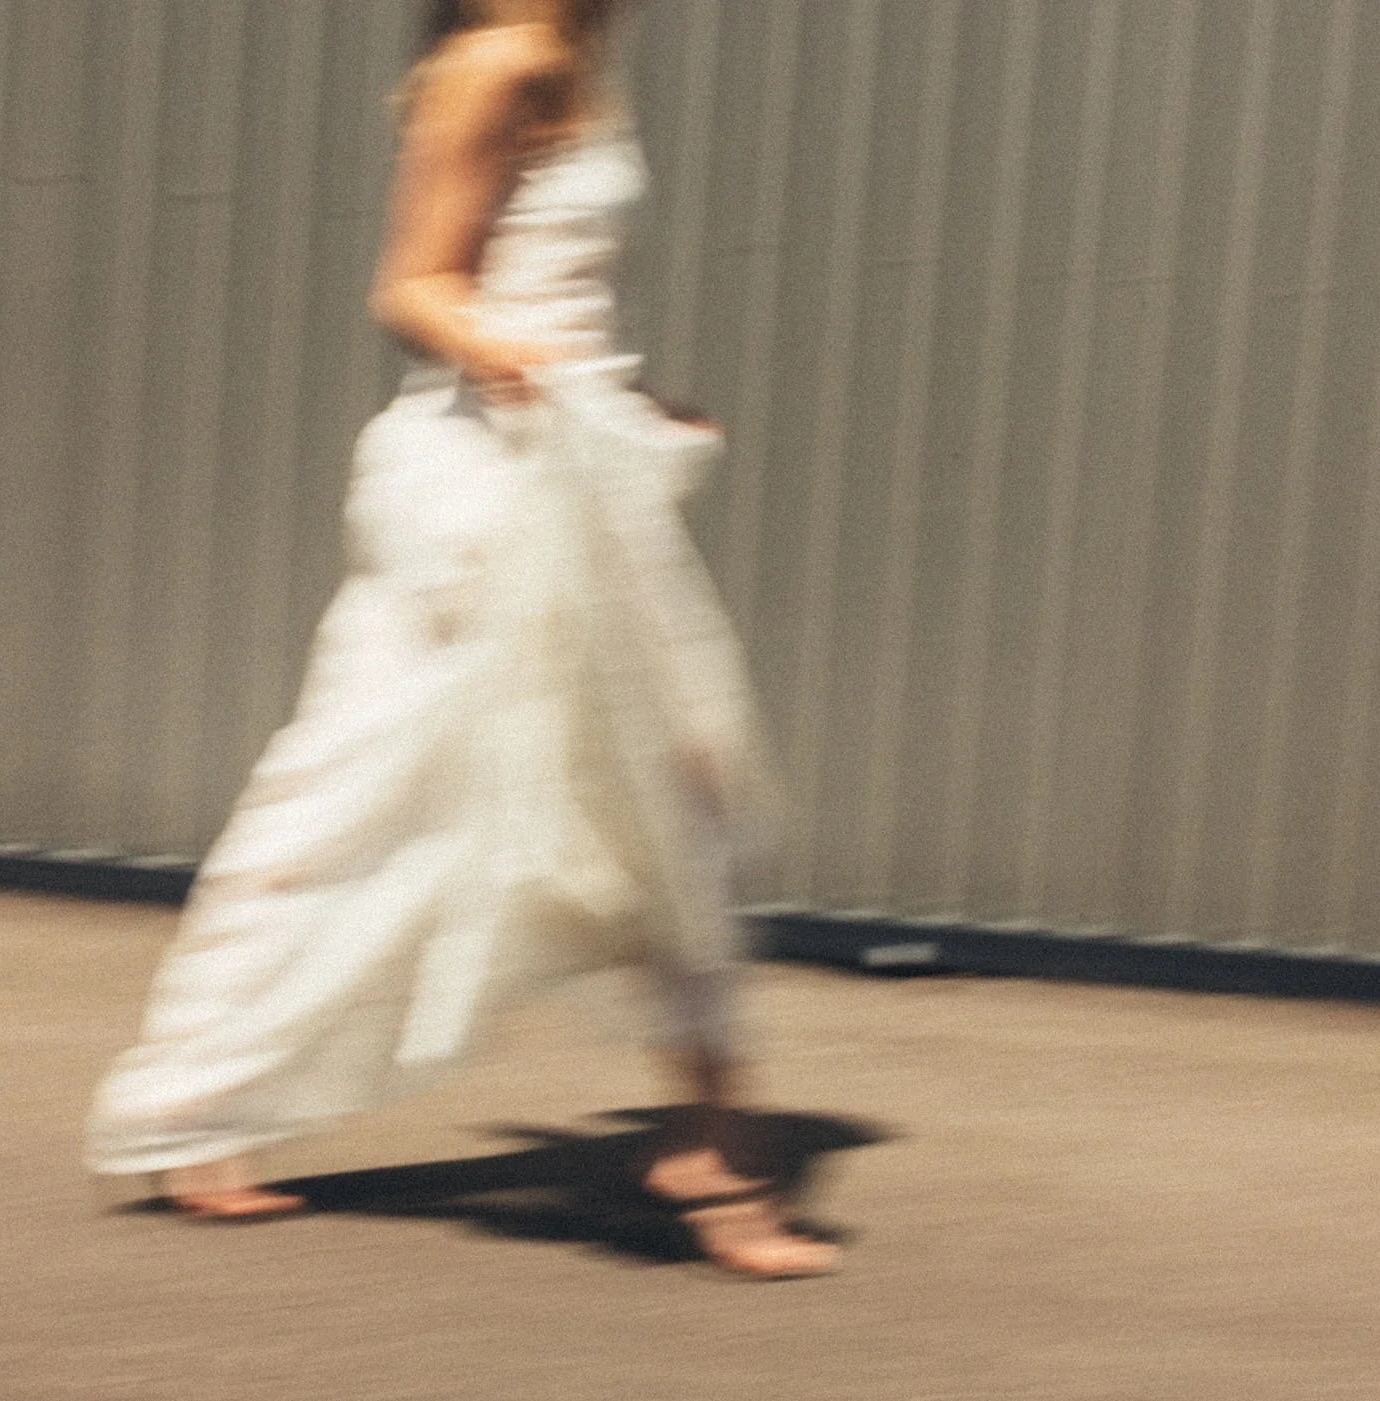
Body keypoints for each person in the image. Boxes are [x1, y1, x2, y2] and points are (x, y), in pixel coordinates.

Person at [83, 0, 838, 1280]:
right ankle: (190, 1107)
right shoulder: (498, 65)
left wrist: (625, 397)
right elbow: (417, 285)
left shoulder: (580, 65)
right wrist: (534, 370)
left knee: (674, 790)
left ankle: (709, 1139)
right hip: (488, 491)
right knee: (365, 792)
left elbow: (541, 281)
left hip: (570, 472)